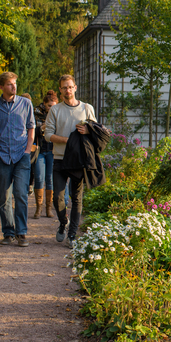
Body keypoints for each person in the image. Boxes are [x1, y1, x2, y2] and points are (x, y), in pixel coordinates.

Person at [44, 75, 96, 248]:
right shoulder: (55, 110)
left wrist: (87, 129)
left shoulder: (87, 108)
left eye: (70, 87)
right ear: (60, 90)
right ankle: (63, 222)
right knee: (58, 197)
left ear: (75, 87)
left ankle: (72, 235)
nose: (67, 90)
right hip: (59, 158)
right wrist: (68, 140)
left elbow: (96, 132)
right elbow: (47, 135)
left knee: (77, 198)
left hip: (79, 160)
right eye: (64, 88)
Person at [0, 72, 36, 247]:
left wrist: (28, 150)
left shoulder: (26, 103)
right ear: (1, 86)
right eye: (9, 84)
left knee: (21, 194)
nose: (13, 86)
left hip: (21, 154)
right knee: (4, 196)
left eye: (14, 83)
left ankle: (21, 232)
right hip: (0, 155)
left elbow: (31, 127)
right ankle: (8, 232)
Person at [32, 90, 59, 219]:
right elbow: (30, 131)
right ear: (44, 104)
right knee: (39, 178)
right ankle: (38, 208)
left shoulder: (59, 114)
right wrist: (40, 129)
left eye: (54, 106)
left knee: (50, 179)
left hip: (53, 151)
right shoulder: (36, 113)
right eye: (49, 106)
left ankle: (49, 209)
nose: (51, 109)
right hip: (40, 151)